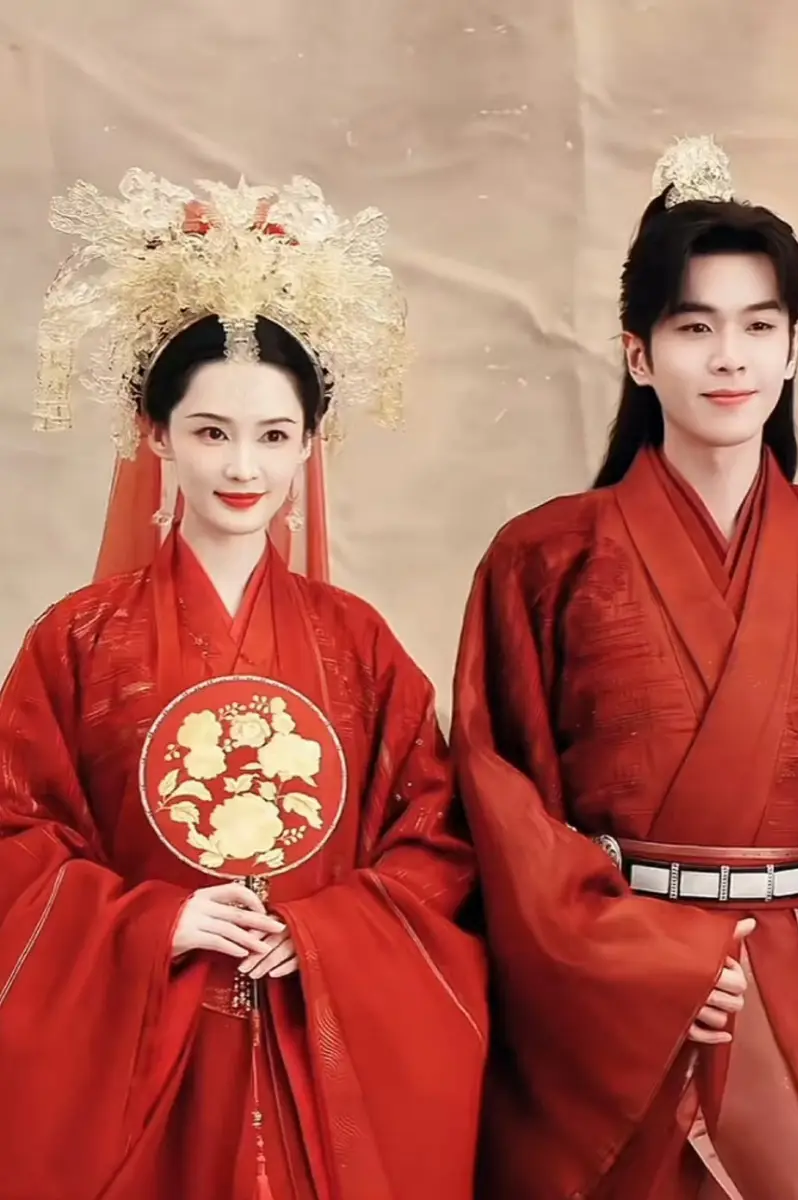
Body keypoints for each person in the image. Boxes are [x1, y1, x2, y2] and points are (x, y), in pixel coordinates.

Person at [0, 172, 487, 1200]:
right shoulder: (77, 640)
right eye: (211, 431)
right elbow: (13, 835)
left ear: (310, 443)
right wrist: (149, 924)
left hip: (315, 1040)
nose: (242, 467)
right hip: (141, 1045)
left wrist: (327, 933)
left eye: (273, 436)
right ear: (157, 434)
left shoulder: (357, 643)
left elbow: (434, 837)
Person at [451, 135, 798, 1200]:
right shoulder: (543, 558)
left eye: (758, 327)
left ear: (793, 347)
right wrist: (632, 962)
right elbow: (499, 804)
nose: (729, 359)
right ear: (638, 353)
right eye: (694, 328)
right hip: (616, 989)